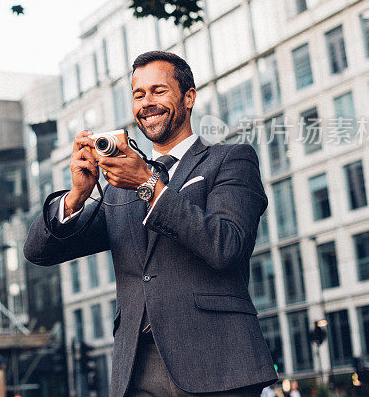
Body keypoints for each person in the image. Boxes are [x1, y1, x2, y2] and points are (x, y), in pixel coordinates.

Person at [24, 51, 278, 397]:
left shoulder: (230, 160)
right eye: (138, 94)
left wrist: (147, 184)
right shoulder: (117, 185)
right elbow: (38, 251)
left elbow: (226, 246)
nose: (147, 102)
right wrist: (77, 196)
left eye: (158, 91)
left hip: (217, 363)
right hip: (137, 369)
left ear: (188, 97)